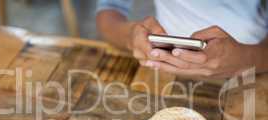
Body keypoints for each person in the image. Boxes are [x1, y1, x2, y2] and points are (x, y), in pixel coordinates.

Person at [96, 0, 268, 78]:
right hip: (163, 66)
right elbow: (109, 10)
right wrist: (131, 36)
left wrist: (247, 58)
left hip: (254, 72)